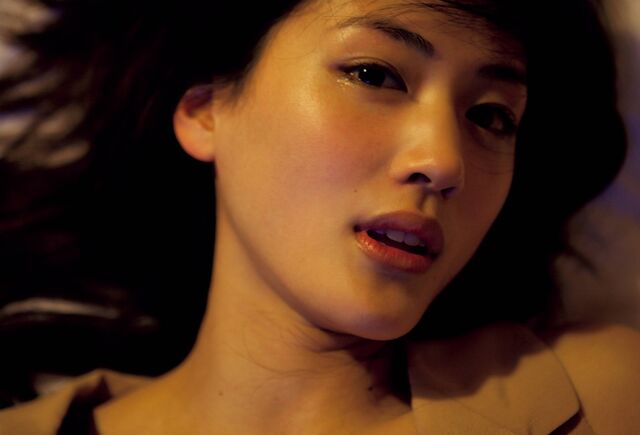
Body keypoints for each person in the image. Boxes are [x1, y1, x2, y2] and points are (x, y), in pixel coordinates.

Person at [0, 0, 639, 433]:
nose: (445, 161)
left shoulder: (603, 396)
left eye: (491, 116)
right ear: (207, 110)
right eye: (375, 75)